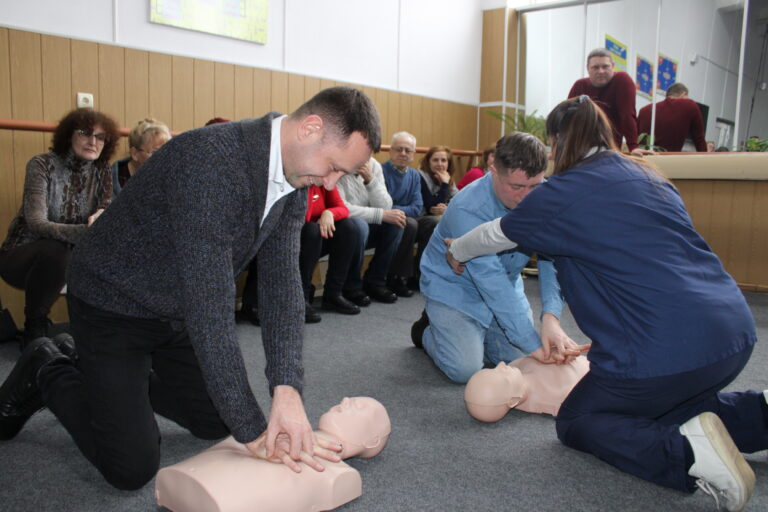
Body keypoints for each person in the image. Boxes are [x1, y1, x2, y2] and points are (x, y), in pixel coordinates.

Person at [0, 86, 381, 490]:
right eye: (335, 166)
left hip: (173, 307)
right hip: (112, 303)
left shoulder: (295, 178)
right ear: (310, 128)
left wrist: (286, 389)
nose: (331, 180)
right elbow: (210, 309)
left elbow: (283, 286)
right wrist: (254, 432)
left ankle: (106, 374)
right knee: (131, 468)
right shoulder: (211, 160)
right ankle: (49, 366)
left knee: (215, 420)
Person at [446, 95, 763, 511]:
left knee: (580, 420)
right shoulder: (647, 176)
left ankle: (689, 456)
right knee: (674, 403)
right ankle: (761, 413)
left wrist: (458, 252)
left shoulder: (564, 192)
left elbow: (494, 235)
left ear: (556, 143)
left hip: (665, 351)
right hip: (733, 333)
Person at [411, 132, 582, 384]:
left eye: (534, 186)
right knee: (465, 370)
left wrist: (551, 318)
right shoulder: (467, 207)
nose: (526, 197)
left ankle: (476, 334)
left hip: (507, 283)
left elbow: (551, 258)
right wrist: (532, 343)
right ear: (493, 170)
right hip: (456, 287)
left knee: (518, 359)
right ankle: (427, 330)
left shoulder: (546, 194)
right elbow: (489, 278)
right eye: (516, 187)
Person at [0, 108, 118, 346]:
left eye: (100, 137)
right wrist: (86, 233)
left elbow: (105, 210)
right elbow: (36, 223)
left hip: (73, 255)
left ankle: (101, 332)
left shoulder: (103, 170)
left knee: (112, 249)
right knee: (58, 250)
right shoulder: (42, 164)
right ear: (68, 134)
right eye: (86, 133)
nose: (93, 141)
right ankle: (35, 324)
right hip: (22, 256)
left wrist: (103, 216)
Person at [155, 397, 391, 512]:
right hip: (182, 477)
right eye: (348, 399)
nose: (346, 400)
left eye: (360, 407)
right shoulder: (273, 431)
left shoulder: (340, 475)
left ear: (373, 440)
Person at [336, 157, 405, 305]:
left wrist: (370, 180)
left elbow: (386, 205)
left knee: (396, 222)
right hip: (343, 227)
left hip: (367, 224)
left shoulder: (374, 165)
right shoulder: (337, 164)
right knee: (360, 226)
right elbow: (341, 208)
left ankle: (375, 281)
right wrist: (379, 215)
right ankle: (351, 286)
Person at [568, 48, 651, 156]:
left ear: (613, 66)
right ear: (588, 69)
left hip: (610, 149)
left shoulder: (622, 80)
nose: (601, 71)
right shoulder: (580, 85)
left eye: (605, 66)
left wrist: (633, 147)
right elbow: (566, 118)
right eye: (595, 67)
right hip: (580, 149)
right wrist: (558, 149)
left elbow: (627, 115)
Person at [299, 184, 362, 320]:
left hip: (315, 240)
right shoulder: (299, 180)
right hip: (294, 240)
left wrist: (329, 212)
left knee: (348, 227)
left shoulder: (325, 180)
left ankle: (333, 294)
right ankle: (301, 298)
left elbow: (343, 209)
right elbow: (303, 217)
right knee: (311, 230)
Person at [464, 356, 589, 421]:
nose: (501, 364)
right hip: (593, 367)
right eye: (503, 375)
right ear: (513, 401)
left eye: (494, 368)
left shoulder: (515, 366)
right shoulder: (555, 399)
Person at [381, 131, 422, 297]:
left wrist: (397, 210)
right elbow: (384, 205)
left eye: (408, 150)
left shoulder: (414, 175)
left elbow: (418, 207)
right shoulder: (381, 171)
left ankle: (413, 276)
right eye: (399, 149)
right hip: (382, 220)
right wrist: (400, 210)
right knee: (409, 223)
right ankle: (394, 277)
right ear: (390, 151)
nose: (403, 154)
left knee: (432, 223)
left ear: (413, 154)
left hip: (401, 219)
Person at [414, 146, 459, 287]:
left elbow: (459, 201)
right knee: (436, 221)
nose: (440, 164)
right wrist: (444, 185)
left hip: (434, 219)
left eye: (443, 160)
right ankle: (418, 273)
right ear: (428, 162)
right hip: (419, 220)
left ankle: (446, 272)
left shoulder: (447, 176)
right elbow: (430, 205)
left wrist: (448, 208)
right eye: (435, 160)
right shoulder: (420, 176)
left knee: (455, 220)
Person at [637, 83, 708, 152]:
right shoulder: (689, 105)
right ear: (684, 94)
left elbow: (637, 139)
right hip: (668, 159)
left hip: (643, 159)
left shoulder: (644, 110)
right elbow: (699, 139)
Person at [110, 118, 171, 198]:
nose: (162, 158)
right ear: (134, 153)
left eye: (165, 152)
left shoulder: (168, 177)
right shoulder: (110, 181)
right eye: (155, 152)